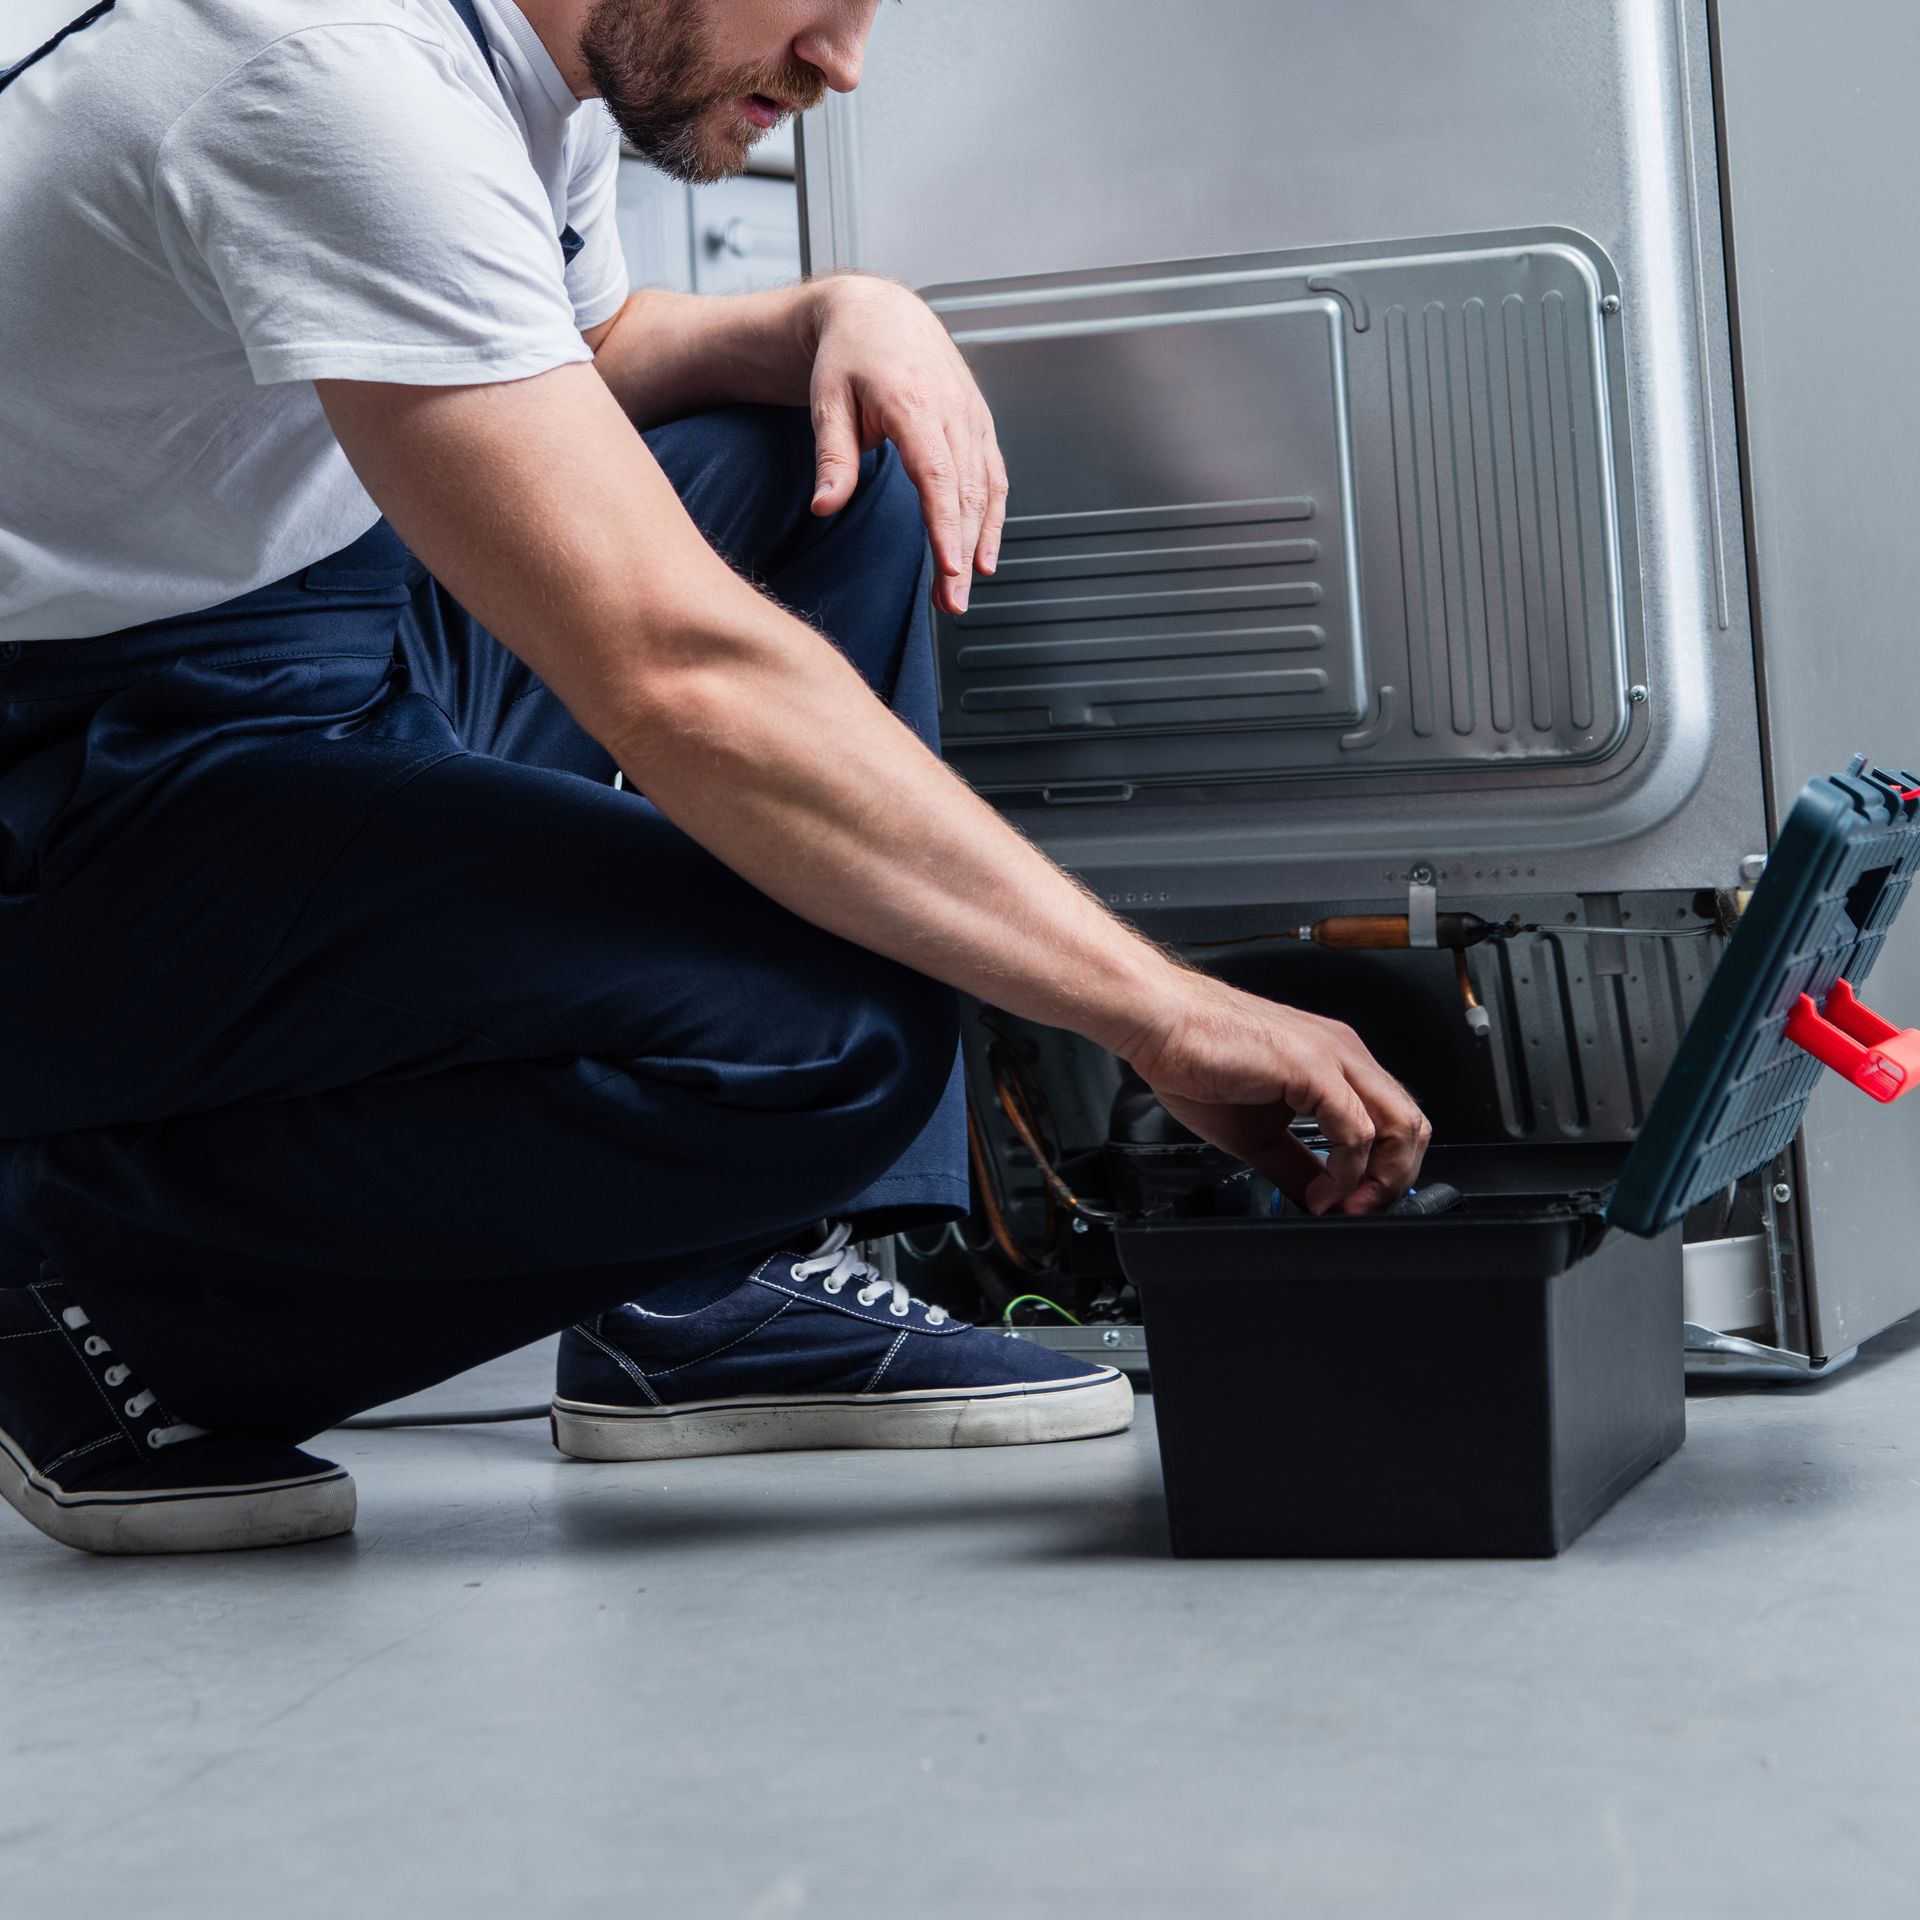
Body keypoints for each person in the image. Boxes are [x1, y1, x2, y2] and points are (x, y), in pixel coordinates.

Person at [0, 0, 1430, 1556]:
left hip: (292, 641)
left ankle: (700, 1288)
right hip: (70, 773)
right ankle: (79, 1289)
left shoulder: (509, 57)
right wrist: (1163, 1009)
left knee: (831, 457)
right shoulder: (329, 80)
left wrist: (833, 312)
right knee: (832, 1030)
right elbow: (677, 673)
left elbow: (581, 346)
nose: (843, 61)